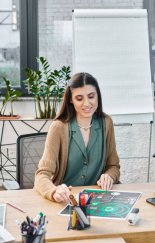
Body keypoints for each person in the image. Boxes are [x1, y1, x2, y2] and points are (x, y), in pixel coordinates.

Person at [34, 72, 120, 203]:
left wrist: (109, 176)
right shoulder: (58, 128)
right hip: (67, 200)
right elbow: (42, 175)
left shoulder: (106, 123)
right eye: (79, 98)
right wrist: (53, 191)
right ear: (71, 100)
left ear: (98, 96)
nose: (87, 103)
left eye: (91, 96)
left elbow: (113, 166)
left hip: (99, 198)